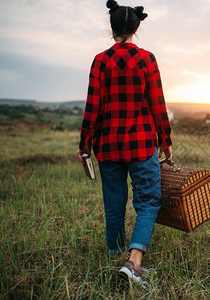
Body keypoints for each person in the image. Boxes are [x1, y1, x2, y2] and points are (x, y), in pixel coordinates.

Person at [77, 0, 172, 288]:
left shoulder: (100, 61)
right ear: (136, 27)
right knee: (149, 202)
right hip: (142, 144)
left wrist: (85, 143)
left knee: (114, 204)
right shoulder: (147, 59)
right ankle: (133, 262)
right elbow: (157, 104)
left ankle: (114, 255)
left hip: (107, 146)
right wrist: (165, 140)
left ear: (112, 27)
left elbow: (92, 105)